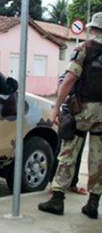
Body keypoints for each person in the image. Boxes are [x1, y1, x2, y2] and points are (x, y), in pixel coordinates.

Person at [38, 12, 102, 219]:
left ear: (93, 29)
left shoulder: (86, 48)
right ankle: (93, 204)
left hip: (83, 110)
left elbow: (70, 78)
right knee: (99, 157)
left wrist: (57, 106)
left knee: (68, 152)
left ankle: (57, 199)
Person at [49, 73, 87, 195]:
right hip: (68, 116)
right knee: (62, 151)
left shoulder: (86, 72)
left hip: (83, 116)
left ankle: (72, 183)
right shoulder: (68, 73)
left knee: (78, 151)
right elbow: (61, 90)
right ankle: (53, 183)